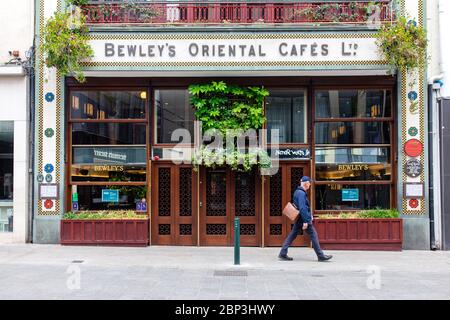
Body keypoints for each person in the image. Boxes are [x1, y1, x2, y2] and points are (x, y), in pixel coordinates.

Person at [278, 176, 333, 262]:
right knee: (313, 235)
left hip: (300, 218)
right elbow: (303, 208)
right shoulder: (301, 193)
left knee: (293, 234)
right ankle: (320, 255)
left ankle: (283, 252)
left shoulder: (297, 192)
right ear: (306, 183)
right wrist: (306, 221)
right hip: (303, 218)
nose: (310, 185)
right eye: (309, 183)